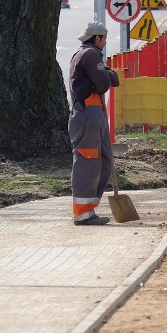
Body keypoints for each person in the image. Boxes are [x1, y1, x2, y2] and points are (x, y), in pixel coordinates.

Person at [69, 22, 120, 226]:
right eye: (104, 39)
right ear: (97, 38)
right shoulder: (90, 55)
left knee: (103, 160)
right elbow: (105, 83)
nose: (105, 42)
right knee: (87, 160)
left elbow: (109, 79)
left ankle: (89, 207)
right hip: (87, 113)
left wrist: (106, 74)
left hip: (93, 112)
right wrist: (106, 74)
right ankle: (82, 212)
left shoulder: (85, 54)